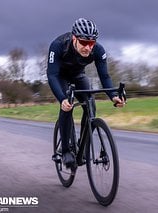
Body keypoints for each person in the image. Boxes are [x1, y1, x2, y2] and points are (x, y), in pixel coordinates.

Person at [47, 18, 125, 168]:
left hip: (78, 76)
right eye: (84, 43)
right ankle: (65, 151)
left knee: (90, 106)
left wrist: (114, 96)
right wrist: (62, 98)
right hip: (60, 77)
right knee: (67, 105)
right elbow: (52, 75)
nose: (88, 48)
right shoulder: (58, 45)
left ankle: (82, 148)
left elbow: (105, 76)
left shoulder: (98, 50)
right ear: (74, 38)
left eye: (91, 43)